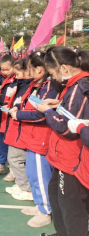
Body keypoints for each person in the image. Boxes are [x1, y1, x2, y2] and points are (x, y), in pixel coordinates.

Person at [37, 47, 89, 236]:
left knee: (72, 209)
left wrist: (48, 112)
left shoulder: (80, 87)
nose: (54, 78)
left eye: (52, 73)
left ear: (64, 68)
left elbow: (68, 128)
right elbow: (74, 114)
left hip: (72, 160)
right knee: (58, 200)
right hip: (63, 157)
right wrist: (59, 106)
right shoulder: (74, 87)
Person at [9, 51, 60, 228]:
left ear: (39, 69)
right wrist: (17, 107)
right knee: (32, 174)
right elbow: (27, 101)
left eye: (29, 68)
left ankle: (45, 211)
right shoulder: (38, 84)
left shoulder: (49, 87)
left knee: (40, 176)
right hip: (31, 137)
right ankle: (40, 204)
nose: (27, 71)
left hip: (41, 138)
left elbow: (43, 114)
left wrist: (19, 114)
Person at [2, 58, 33, 186]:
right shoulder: (22, 85)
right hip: (15, 127)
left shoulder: (31, 87)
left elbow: (33, 111)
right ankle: (21, 184)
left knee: (16, 159)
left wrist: (17, 112)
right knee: (15, 159)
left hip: (22, 129)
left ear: (27, 72)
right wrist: (13, 108)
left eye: (17, 74)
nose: (16, 77)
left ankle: (25, 187)